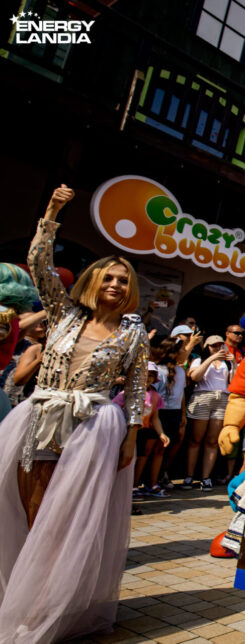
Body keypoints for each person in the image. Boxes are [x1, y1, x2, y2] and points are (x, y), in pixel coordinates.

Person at [0, 184, 148, 641]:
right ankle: (23, 597)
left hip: (94, 427)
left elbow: (137, 387)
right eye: (108, 277)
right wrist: (52, 210)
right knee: (30, 512)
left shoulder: (133, 331)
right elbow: (39, 263)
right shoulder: (64, 313)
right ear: (93, 281)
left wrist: (132, 436)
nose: (115, 285)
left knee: (65, 520)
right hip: (41, 417)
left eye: (123, 280)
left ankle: (44, 609)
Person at [182, 335, 233, 491]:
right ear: (207, 347)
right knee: (195, 439)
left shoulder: (227, 363)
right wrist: (211, 359)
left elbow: (233, 382)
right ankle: (189, 476)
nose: (217, 348)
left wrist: (235, 363)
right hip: (202, 396)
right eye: (213, 346)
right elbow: (195, 377)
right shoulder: (199, 360)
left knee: (212, 441)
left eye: (220, 345)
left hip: (222, 398)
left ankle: (206, 477)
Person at [115, 362, 170, 496]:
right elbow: (116, 408)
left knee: (143, 457)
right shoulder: (127, 393)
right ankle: (126, 487)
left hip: (144, 431)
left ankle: (136, 484)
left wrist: (161, 433)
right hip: (128, 431)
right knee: (128, 458)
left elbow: (155, 417)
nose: (148, 378)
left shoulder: (155, 396)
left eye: (151, 375)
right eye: (145, 374)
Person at [153, 337, 188, 491]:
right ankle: (151, 481)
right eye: (183, 349)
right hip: (160, 412)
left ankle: (162, 474)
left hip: (175, 412)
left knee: (172, 444)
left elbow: (182, 393)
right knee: (158, 447)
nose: (185, 351)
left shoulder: (181, 371)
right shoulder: (159, 370)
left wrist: (183, 414)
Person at [1, 312, 46, 406]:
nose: (39, 322)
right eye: (34, 320)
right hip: (9, 400)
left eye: (42, 321)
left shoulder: (43, 347)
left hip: (28, 402)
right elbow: (19, 329)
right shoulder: (17, 343)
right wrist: (44, 312)